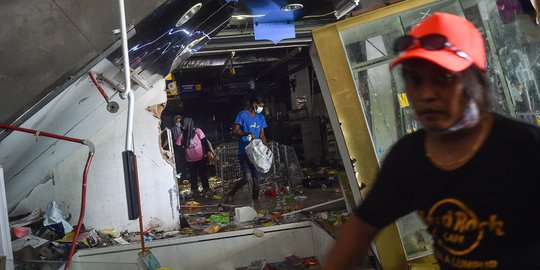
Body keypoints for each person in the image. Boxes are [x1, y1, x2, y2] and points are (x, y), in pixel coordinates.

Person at [322, 13, 540, 270]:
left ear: (478, 79)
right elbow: (360, 228)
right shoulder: (409, 158)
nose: (426, 94)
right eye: (415, 80)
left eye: (443, 78)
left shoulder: (524, 150)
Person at [225, 97, 268, 202]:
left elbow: (262, 135)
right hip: (244, 151)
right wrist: (246, 133)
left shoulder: (261, 117)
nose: (261, 108)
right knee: (247, 178)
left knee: (256, 180)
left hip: (257, 153)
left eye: (262, 106)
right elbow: (234, 132)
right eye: (260, 106)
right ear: (254, 104)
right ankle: (231, 193)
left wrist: (266, 150)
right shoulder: (243, 115)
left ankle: (256, 204)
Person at [175, 117, 211, 194]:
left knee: (203, 174)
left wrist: (208, 151)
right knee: (193, 176)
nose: (182, 125)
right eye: (182, 124)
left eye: (183, 124)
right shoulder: (182, 134)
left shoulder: (198, 131)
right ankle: (195, 191)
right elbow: (177, 146)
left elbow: (204, 142)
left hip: (201, 157)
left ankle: (206, 189)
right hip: (190, 160)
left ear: (189, 124)